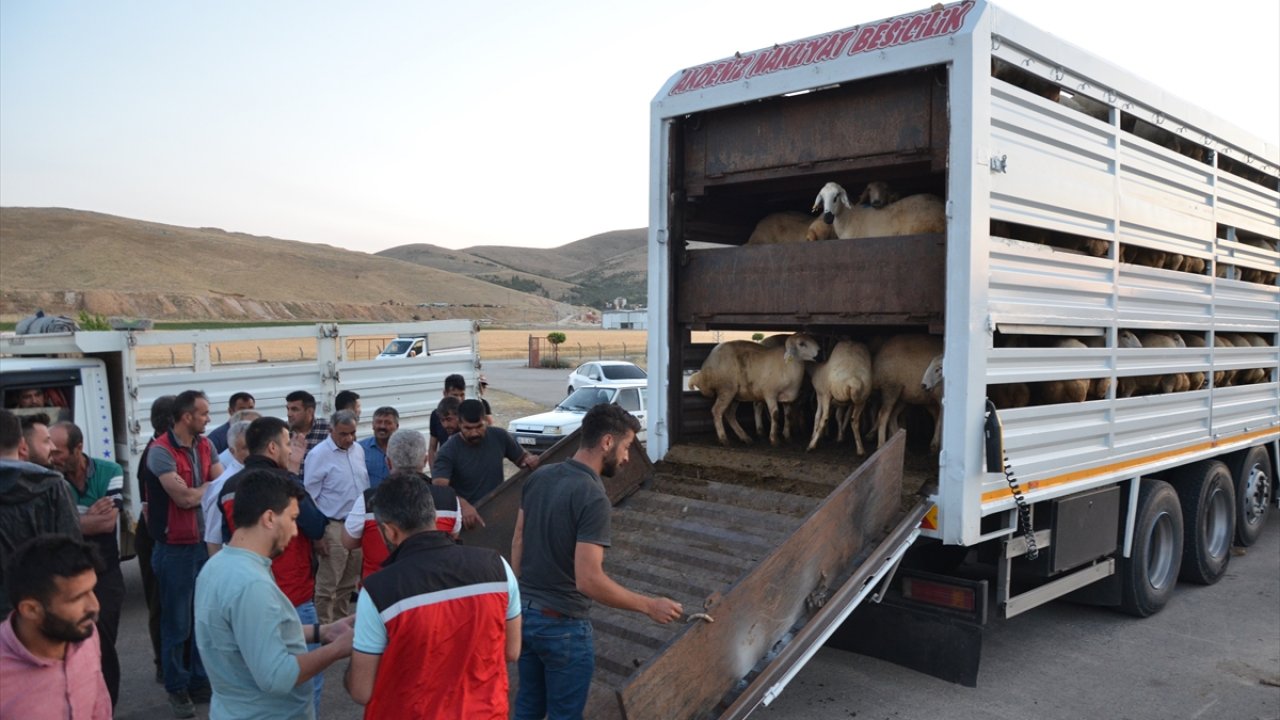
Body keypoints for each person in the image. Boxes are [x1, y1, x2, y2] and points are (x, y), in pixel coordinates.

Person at [511, 403, 683, 719]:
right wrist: (648, 605)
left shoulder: (540, 477)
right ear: (607, 442)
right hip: (563, 627)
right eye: (627, 445)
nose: (628, 456)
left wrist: (528, 595)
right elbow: (588, 580)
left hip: (526, 615)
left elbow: (519, 541)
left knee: (527, 710)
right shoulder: (592, 495)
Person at [345, 473, 520, 718]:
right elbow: (511, 651)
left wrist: (350, 652)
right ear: (433, 516)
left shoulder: (378, 590)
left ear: (390, 531)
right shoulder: (498, 566)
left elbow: (361, 690)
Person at [195, 469, 354, 720]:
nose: (294, 532)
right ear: (269, 518)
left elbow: (251, 634)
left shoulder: (217, 566)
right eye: (292, 519)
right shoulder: (251, 584)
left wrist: (323, 632)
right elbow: (277, 677)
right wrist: (337, 650)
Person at [213, 416, 330, 714]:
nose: (291, 450)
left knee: (252, 681)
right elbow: (316, 526)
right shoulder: (284, 485)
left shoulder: (228, 486)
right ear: (272, 447)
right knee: (303, 685)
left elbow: (227, 538)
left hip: (249, 598)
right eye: (288, 443)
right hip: (293, 596)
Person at [145, 389, 222, 718]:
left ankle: (199, 681)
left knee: (201, 618)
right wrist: (206, 488)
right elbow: (185, 500)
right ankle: (177, 688)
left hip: (202, 545)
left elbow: (220, 483)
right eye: (203, 413)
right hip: (175, 549)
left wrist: (201, 489)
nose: (208, 419)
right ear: (186, 416)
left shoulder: (206, 445)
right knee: (177, 623)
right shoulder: (159, 451)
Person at [48, 421, 126, 708]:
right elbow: (50, 528)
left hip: (105, 573)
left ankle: (106, 708)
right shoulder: (50, 480)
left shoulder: (111, 470)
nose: (51, 457)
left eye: (57, 452)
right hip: (65, 576)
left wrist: (70, 520)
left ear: (78, 448)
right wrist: (83, 518)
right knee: (72, 648)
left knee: (103, 643)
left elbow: (107, 523)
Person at [0, 534, 111, 719]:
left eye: (92, 590)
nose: (94, 606)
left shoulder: (85, 633)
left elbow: (99, 704)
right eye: (77, 598)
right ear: (31, 610)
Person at [343, 429, 461, 580]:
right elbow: (453, 536)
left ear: (388, 461)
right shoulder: (449, 499)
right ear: (425, 461)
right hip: (432, 587)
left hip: (378, 591)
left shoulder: (367, 500)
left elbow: (348, 541)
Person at [0, 410, 83, 619]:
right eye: (47, 441)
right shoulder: (53, 487)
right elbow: (71, 550)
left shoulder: (53, 486)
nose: (53, 448)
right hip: (40, 611)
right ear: (22, 444)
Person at [432, 399, 538, 530]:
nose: (474, 433)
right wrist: (462, 505)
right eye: (468, 428)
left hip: (499, 513)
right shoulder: (447, 451)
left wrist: (528, 460)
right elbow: (440, 489)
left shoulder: (500, 436)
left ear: (486, 421)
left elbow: (521, 458)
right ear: (459, 424)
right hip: (468, 522)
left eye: (479, 427)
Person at [304, 410, 367, 624]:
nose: (349, 438)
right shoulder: (318, 455)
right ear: (331, 431)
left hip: (356, 525)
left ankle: (341, 625)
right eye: (343, 434)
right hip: (333, 526)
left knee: (348, 583)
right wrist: (317, 534)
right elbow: (309, 497)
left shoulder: (357, 449)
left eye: (352, 433)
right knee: (328, 584)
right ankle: (324, 629)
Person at [136, 394, 175, 684]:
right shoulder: (157, 454)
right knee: (161, 604)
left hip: (159, 535)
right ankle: (165, 663)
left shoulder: (163, 450)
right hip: (156, 537)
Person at [201, 419, 253, 555]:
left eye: (255, 445)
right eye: (245, 448)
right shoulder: (223, 485)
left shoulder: (260, 475)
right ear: (232, 451)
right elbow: (214, 540)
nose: (252, 452)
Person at [427, 374, 493, 466]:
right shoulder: (436, 415)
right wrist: (434, 474)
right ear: (445, 393)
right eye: (454, 395)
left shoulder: (471, 412)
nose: (459, 399)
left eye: (462, 395)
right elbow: (432, 448)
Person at [358, 406, 399, 488]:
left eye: (388, 423)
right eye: (378, 422)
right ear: (372, 425)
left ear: (397, 426)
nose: (382, 426)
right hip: (368, 499)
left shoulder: (404, 449)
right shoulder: (359, 448)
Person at [286, 390, 331, 459]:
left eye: (294, 409)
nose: (289, 414)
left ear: (310, 411)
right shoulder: (283, 432)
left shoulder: (328, 429)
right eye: (288, 409)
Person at [427, 396, 461, 469]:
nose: (445, 425)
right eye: (442, 420)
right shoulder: (435, 418)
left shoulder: (468, 434)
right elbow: (432, 448)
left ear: (459, 416)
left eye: (449, 419)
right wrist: (434, 474)